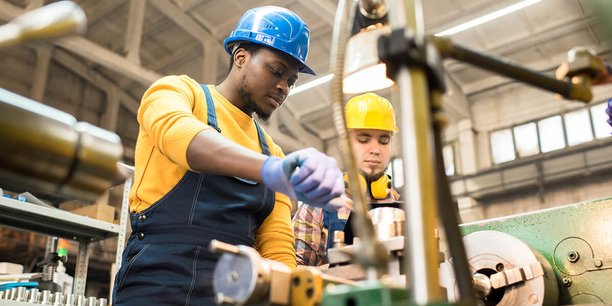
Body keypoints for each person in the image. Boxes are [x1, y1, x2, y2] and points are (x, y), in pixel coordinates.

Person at [111, 6, 344, 305]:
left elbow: (277, 251)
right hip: (156, 285)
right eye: (276, 71)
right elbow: (183, 137)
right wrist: (271, 170)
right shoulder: (178, 93)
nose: (283, 87)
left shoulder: (272, 151)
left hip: (233, 293)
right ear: (241, 57)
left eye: (291, 80)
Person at [293, 93, 400, 266]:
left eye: (384, 140)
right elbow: (296, 273)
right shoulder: (316, 205)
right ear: (344, 144)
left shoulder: (399, 207)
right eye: (364, 139)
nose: (375, 149)